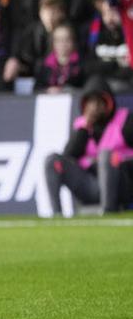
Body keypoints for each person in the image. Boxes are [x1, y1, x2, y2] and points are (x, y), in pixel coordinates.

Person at [44, 78, 133, 216]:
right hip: (90, 184)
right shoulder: (82, 126)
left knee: (106, 155)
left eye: (99, 102)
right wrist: (85, 127)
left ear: (108, 102)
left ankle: (108, 210)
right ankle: (56, 215)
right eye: (90, 103)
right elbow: (69, 155)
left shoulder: (125, 120)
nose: (95, 107)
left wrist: (115, 161)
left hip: (120, 182)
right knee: (52, 160)